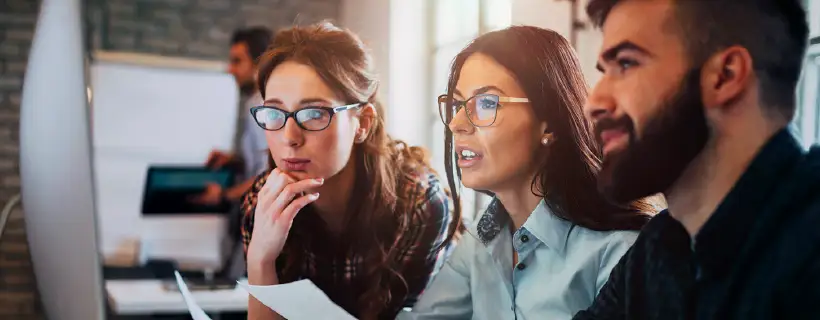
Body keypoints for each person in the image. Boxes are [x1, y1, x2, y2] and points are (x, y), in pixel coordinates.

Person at [574, 0, 818, 319]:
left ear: (725, 76)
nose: (593, 104)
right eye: (604, 72)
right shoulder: (657, 251)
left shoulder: (808, 248)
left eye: (626, 64)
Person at [400, 26, 658, 320]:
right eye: (458, 104)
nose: (457, 123)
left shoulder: (620, 251)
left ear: (548, 123)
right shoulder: (482, 240)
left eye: (486, 103)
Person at [241, 22, 459, 320]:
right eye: (274, 113)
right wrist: (261, 260)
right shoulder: (263, 202)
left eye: (315, 113)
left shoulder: (417, 202)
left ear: (363, 123)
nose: (289, 137)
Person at [193, 27, 273, 205]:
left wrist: (224, 195)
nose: (230, 69)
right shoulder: (253, 102)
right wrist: (234, 160)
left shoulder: (264, 107)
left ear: (258, 63)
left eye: (237, 61)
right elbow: (260, 163)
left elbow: (271, 173)